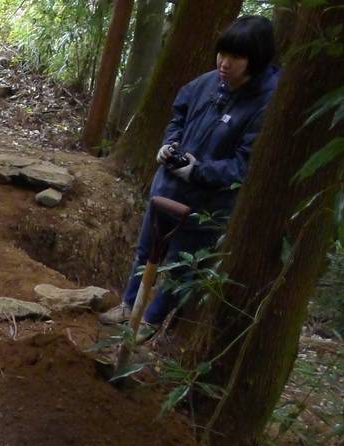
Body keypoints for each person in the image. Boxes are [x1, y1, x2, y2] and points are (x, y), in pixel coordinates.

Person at [99, 15, 279, 332]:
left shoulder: (267, 104)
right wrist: (170, 145)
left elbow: (245, 166)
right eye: (222, 53)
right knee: (146, 252)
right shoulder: (206, 83)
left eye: (236, 57)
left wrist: (198, 171)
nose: (224, 63)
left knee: (183, 265)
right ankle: (129, 307)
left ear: (257, 60)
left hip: (207, 205)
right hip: (167, 187)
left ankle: (150, 322)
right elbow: (178, 115)